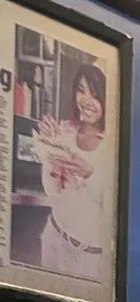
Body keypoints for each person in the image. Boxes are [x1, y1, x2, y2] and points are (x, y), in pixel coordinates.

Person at [31, 63, 109, 282]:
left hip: (90, 257)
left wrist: (89, 173)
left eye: (95, 95)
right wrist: (51, 149)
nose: (86, 101)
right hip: (54, 239)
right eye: (81, 90)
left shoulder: (114, 146)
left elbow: (113, 207)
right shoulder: (65, 131)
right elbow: (52, 192)